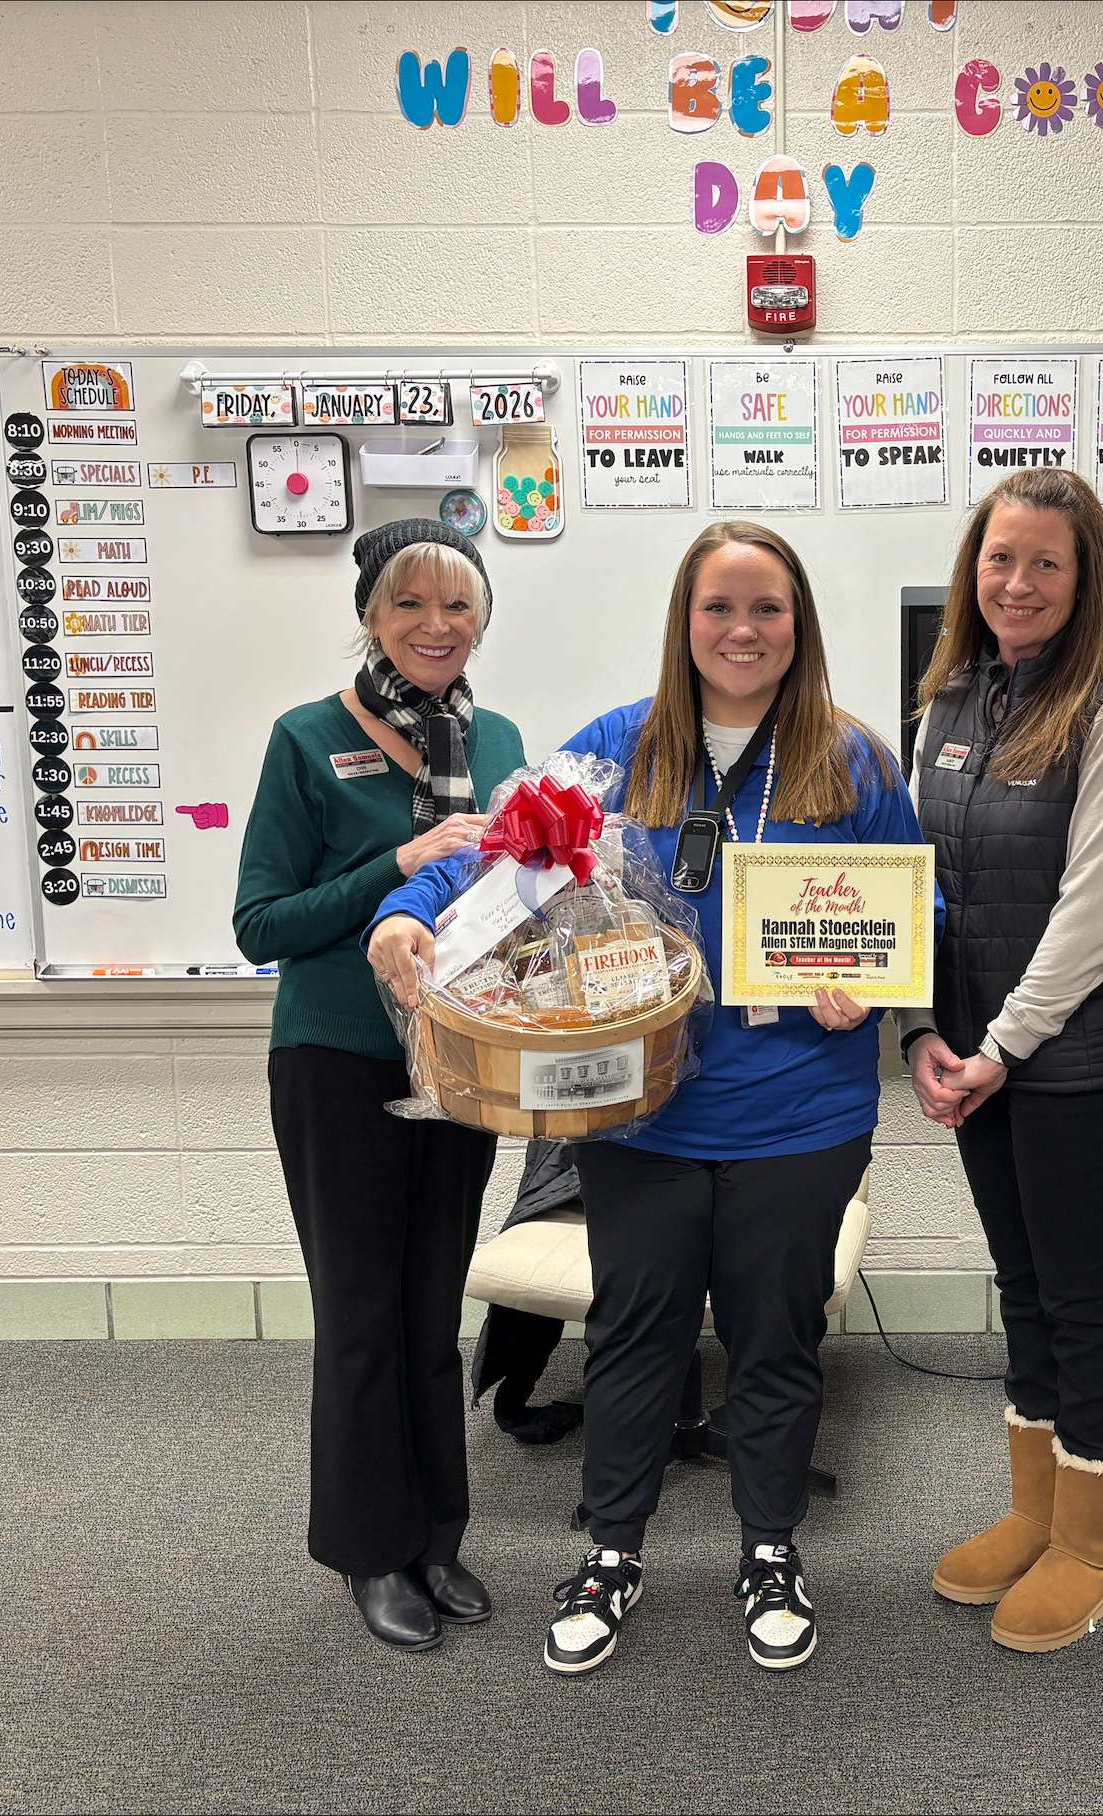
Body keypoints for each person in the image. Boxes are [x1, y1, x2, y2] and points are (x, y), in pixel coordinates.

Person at [367, 520, 920, 1677]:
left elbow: (918, 912)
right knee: (632, 1335)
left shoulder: (853, 760)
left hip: (801, 1114)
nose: (741, 630)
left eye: (766, 608)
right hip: (643, 1110)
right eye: (718, 607)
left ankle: (769, 1550)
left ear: (798, 624)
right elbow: (498, 851)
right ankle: (610, 1551)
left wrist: (867, 986)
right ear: (684, 621)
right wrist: (406, 913)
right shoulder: (617, 749)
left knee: (775, 1340)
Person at [904, 468, 1103, 1654]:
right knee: (1019, 1283)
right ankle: (1037, 1509)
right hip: (978, 1055)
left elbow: (1092, 912)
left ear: (1085, 582)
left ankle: (1095, 1538)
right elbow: (915, 884)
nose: (1016, 582)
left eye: (1044, 563)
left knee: (1078, 1293)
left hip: (1081, 1056)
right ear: (971, 570)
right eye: (998, 558)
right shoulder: (948, 702)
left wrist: (1000, 1046)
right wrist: (920, 1029)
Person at [233, 518, 525, 1654]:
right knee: (361, 1315)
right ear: (370, 616)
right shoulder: (306, 740)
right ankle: (370, 1548)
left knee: (430, 1309)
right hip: (338, 1062)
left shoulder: (499, 740)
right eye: (409, 603)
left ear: (481, 619)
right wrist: (394, 867)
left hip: (458, 1063)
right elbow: (263, 924)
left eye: (457, 604)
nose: (435, 626)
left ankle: (436, 1534)